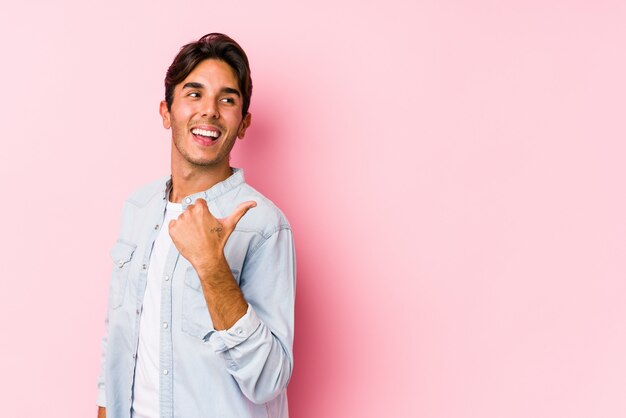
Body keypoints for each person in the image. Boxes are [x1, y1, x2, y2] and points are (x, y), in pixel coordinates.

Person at [96, 33, 296, 418]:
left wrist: (211, 265)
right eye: (194, 93)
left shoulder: (265, 225)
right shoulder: (138, 207)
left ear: (243, 124)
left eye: (227, 99)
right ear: (166, 112)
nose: (210, 111)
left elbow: (269, 380)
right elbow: (118, 334)